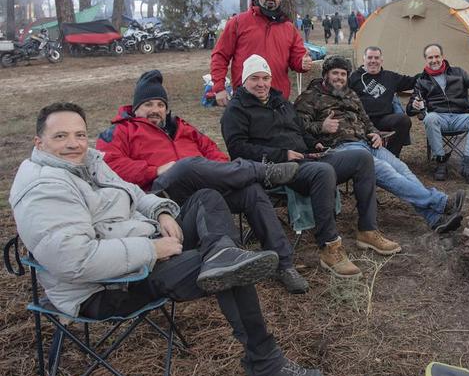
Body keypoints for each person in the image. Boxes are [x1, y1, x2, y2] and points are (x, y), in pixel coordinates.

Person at [10, 102, 323, 376]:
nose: (74, 143)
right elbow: (75, 261)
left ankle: (221, 253)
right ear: (40, 143)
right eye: (61, 136)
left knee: (207, 199)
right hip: (105, 286)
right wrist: (152, 250)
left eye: (79, 134)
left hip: (140, 246)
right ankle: (264, 364)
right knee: (234, 272)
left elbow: (134, 193)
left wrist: (160, 212)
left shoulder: (88, 162)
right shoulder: (45, 189)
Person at [96, 70, 309, 294]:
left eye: (160, 104)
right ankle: (262, 171)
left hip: (204, 193)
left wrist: (219, 172)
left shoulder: (182, 127)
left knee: (251, 191)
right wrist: (156, 169)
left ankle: (284, 265)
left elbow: (213, 152)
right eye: (148, 104)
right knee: (186, 166)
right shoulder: (120, 131)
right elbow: (111, 168)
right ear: (136, 107)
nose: (155, 110)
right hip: (161, 198)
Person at [221, 56, 399, 279]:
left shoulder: (280, 102)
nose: (261, 83)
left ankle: (367, 230)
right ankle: (329, 247)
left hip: (305, 158)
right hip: (273, 169)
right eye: (254, 78)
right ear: (244, 80)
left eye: (265, 78)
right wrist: (281, 154)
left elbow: (298, 131)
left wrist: (313, 143)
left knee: (362, 157)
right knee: (323, 172)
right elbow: (237, 149)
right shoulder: (236, 110)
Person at [295, 56, 465, 235]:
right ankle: (441, 202)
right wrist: (321, 127)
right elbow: (297, 127)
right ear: (325, 75)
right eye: (335, 73)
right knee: (388, 172)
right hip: (342, 150)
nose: (339, 77)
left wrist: (374, 133)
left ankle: (434, 219)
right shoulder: (309, 97)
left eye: (343, 74)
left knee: (402, 169)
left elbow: (366, 120)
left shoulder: (350, 94)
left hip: (366, 143)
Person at [211, 0, 314, 104]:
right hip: (245, 99)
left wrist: (302, 63)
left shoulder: (288, 27)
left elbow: (297, 58)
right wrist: (219, 88)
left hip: (277, 100)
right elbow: (220, 55)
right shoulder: (238, 22)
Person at [406, 44, 469, 184]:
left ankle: (468, 163)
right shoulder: (422, 81)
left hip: (460, 116)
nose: (434, 60)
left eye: (437, 56)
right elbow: (409, 110)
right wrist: (414, 106)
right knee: (430, 117)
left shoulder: (458, 72)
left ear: (442, 56)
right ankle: (441, 162)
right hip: (439, 119)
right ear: (425, 60)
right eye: (430, 57)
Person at [348, 46, 416, 157]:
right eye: (370, 58)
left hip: (383, 119)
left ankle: (391, 156)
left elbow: (412, 81)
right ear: (364, 59)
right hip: (362, 121)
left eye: (376, 58)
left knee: (403, 120)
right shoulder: (354, 78)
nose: (373, 61)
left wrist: (429, 72)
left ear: (381, 60)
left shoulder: (390, 77)